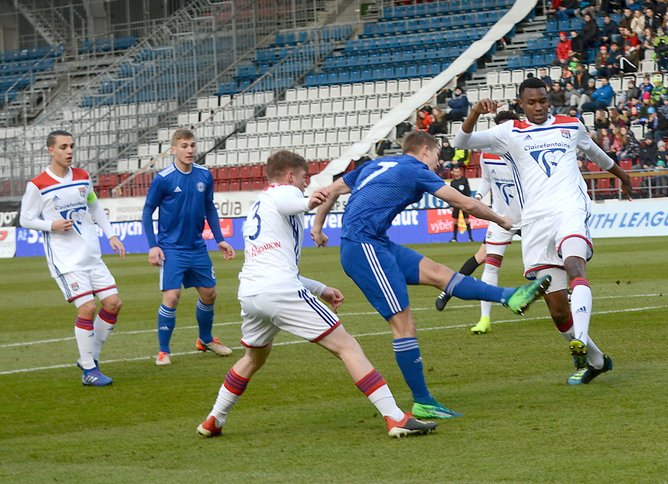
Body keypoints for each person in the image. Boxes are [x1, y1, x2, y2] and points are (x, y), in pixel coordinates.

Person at [196, 150, 436, 439]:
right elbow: (293, 200)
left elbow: (277, 265)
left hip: (252, 293)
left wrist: (321, 289)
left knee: (253, 358)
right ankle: (395, 417)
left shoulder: (258, 207)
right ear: (290, 176)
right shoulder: (281, 193)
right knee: (347, 346)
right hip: (281, 291)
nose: (304, 183)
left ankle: (214, 419)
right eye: (303, 178)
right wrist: (312, 200)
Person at [310, 130, 549, 418]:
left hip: (377, 242)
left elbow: (331, 190)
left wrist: (317, 227)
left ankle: (510, 297)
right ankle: (422, 400)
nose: (438, 164)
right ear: (424, 149)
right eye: (437, 156)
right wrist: (501, 220)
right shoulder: (414, 169)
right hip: (364, 247)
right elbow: (464, 203)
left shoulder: (376, 164)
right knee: (403, 323)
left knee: (439, 273)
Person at [453, 77, 634, 385]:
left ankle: (582, 335)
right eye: (531, 103)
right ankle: (597, 360)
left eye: (543, 101)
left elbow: (595, 154)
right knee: (557, 310)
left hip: (569, 209)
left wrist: (622, 176)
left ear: (549, 101)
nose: (538, 107)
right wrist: (473, 114)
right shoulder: (509, 132)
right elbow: (461, 144)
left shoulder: (570, 125)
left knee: (575, 264)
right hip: (534, 220)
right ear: (521, 105)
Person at [19, 130, 125, 386]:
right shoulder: (38, 184)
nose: (69, 151)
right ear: (50, 150)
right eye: (63, 147)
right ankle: (89, 369)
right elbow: (25, 219)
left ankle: (90, 358)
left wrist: (111, 234)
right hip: (66, 260)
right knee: (88, 308)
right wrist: (51, 225)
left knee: (113, 304)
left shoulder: (82, 177)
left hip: (92, 254)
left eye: (71, 146)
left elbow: (93, 205)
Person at [142, 129, 235, 366]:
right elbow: (147, 211)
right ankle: (163, 350)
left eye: (192, 145)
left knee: (209, 294)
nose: (190, 150)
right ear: (174, 149)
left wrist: (219, 238)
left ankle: (205, 339)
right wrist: (153, 246)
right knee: (172, 297)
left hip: (197, 247)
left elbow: (209, 208)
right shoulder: (164, 178)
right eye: (184, 146)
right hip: (171, 248)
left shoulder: (204, 175)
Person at [434, 111, 522, 335]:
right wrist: (480, 197)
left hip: (529, 217)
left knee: (546, 261)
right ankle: (484, 318)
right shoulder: (488, 154)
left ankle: (569, 294)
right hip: (500, 218)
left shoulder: (524, 151)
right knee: (489, 262)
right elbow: (487, 180)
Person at [447, 164, 473, 242]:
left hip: (464, 202)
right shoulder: (453, 182)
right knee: (455, 220)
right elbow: (451, 194)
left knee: (466, 220)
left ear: (460, 172)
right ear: (453, 172)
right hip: (455, 203)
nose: (456, 173)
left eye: (458, 171)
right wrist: (451, 205)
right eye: (455, 171)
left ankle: (470, 238)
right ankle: (454, 238)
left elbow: (468, 191)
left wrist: (468, 201)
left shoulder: (464, 180)